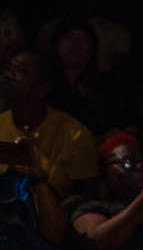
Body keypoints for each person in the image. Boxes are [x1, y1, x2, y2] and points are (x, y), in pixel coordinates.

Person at [0, 50, 99, 200]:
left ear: (43, 88)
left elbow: (85, 193)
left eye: (20, 71)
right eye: (8, 70)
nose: (8, 76)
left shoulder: (74, 135)